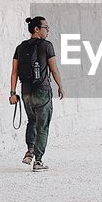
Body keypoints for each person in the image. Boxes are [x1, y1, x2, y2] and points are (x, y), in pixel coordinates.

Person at [9, 16, 65, 172]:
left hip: (26, 91)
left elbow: (14, 72)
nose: (48, 31)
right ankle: (38, 161)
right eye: (46, 27)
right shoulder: (47, 46)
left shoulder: (20, 47)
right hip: (42, 91)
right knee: (43, 127)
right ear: (37, 29)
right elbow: (54, 69)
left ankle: (30, 150)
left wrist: (13, 93)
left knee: (31, 121)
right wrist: (60, 86)